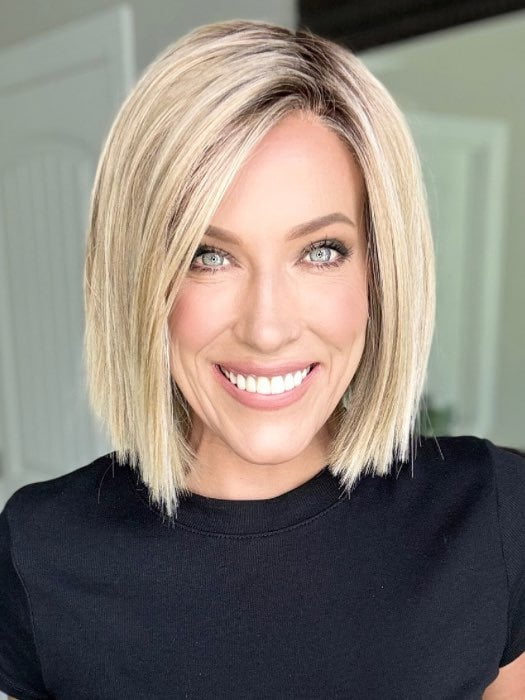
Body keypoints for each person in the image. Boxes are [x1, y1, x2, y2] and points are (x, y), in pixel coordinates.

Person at [1, 18, 524, 699]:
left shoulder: (494, 514)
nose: (267, 328)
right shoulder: (38, 552)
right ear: (139, 280)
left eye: (321, 251)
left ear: (378, 270)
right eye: (207, 255)